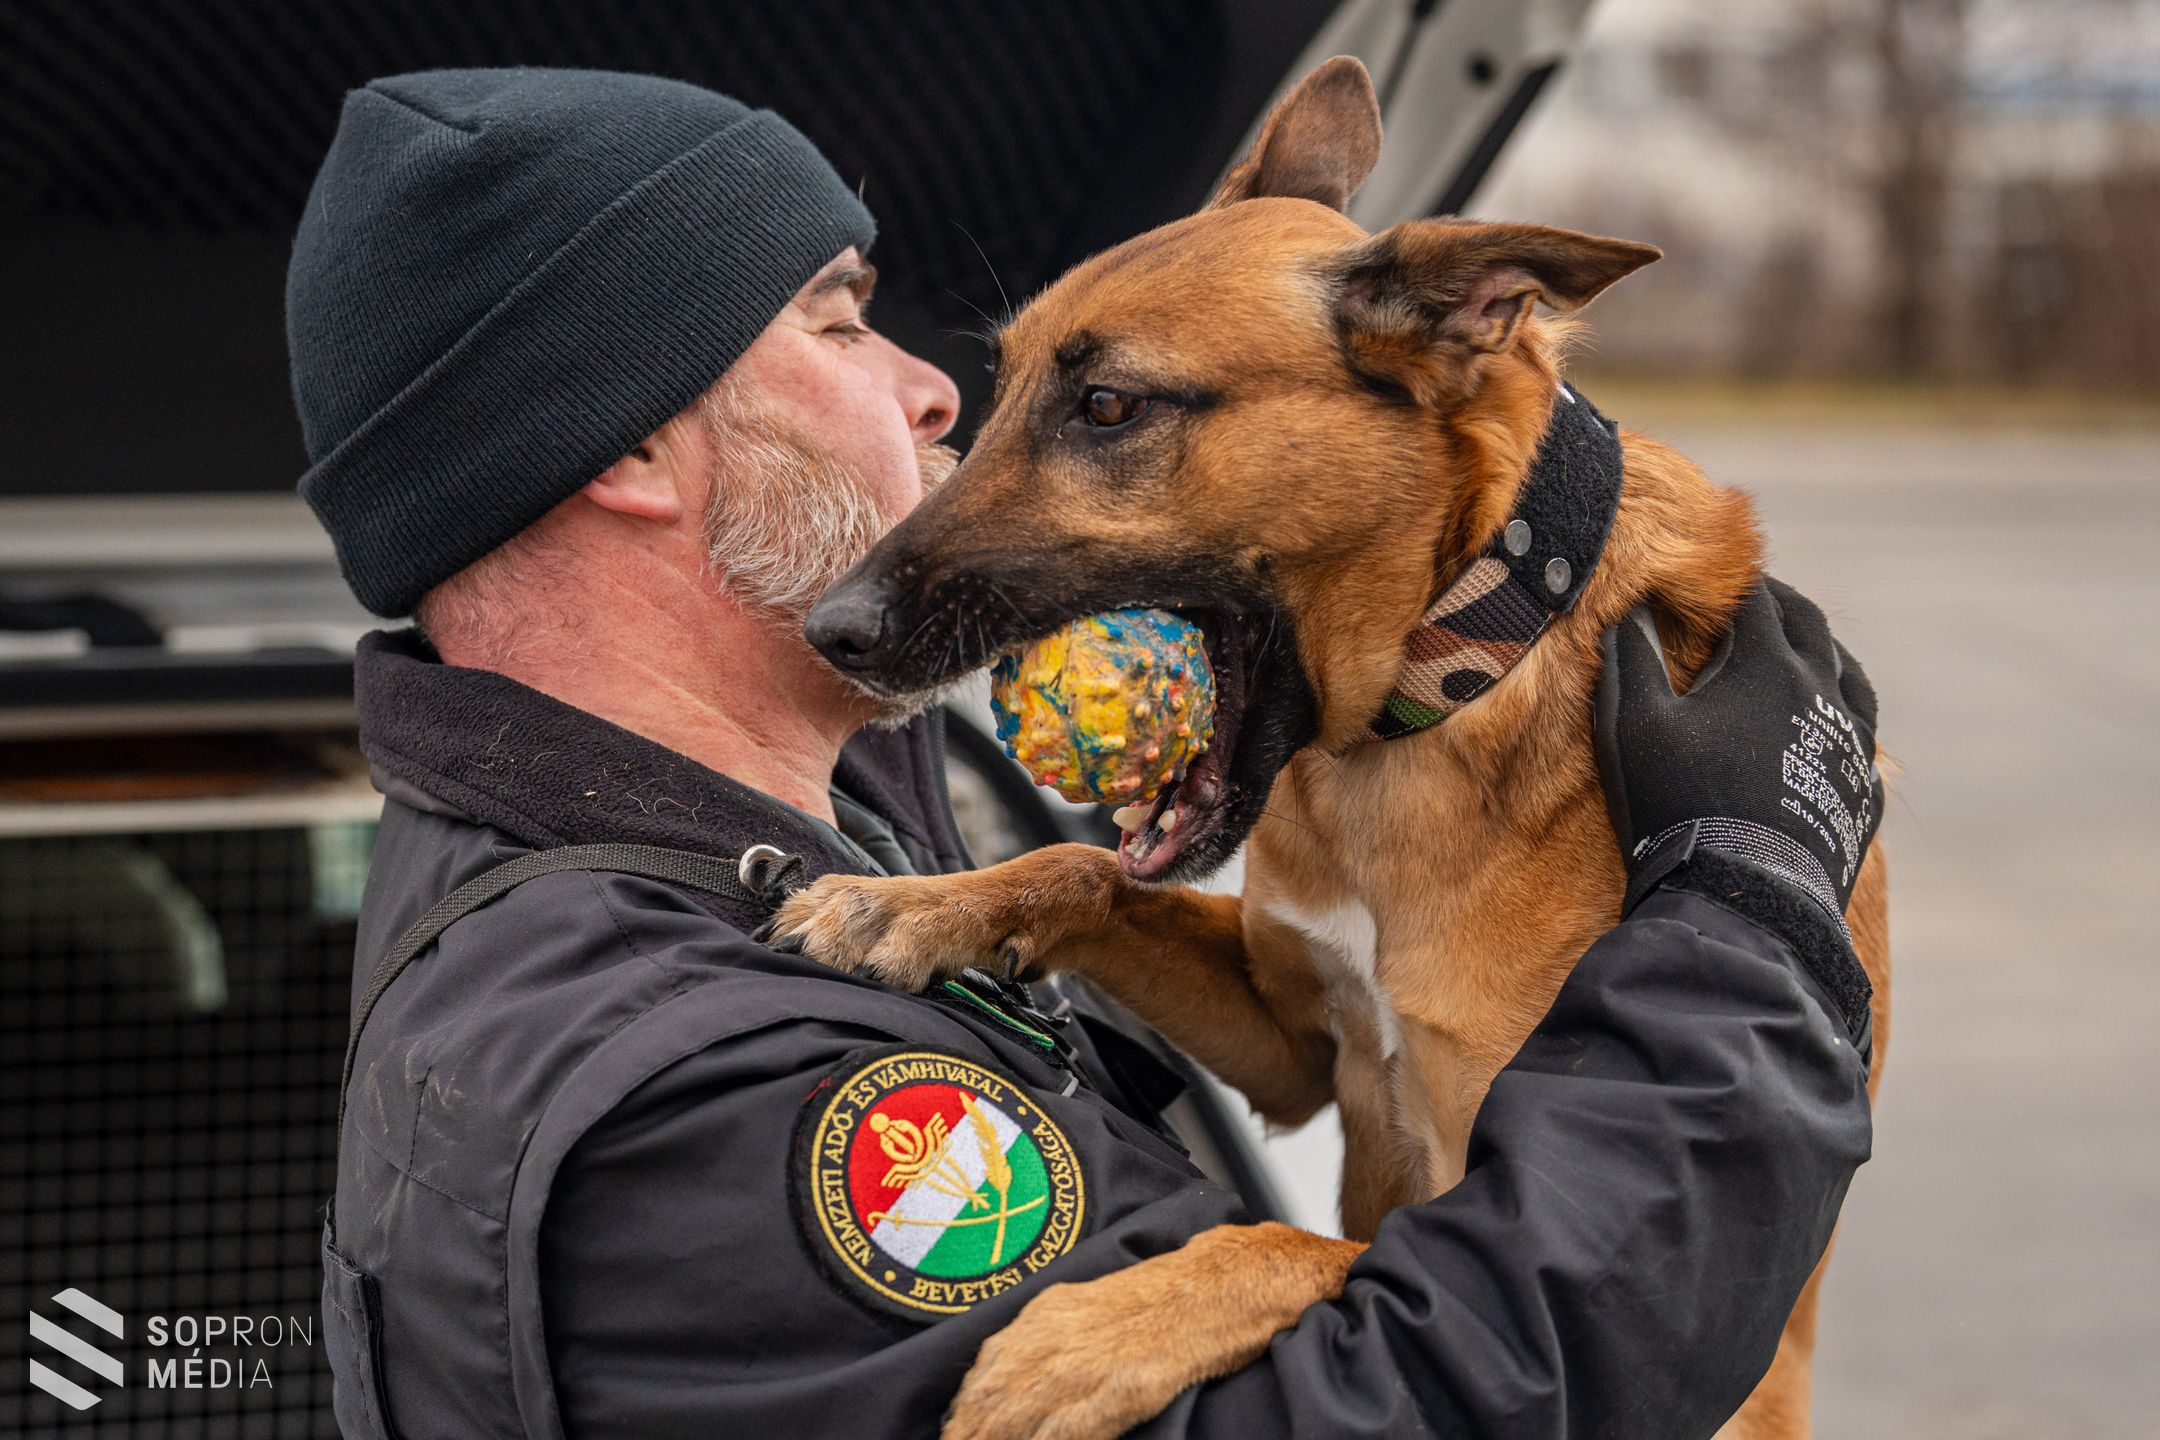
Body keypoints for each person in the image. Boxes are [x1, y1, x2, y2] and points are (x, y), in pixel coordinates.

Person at [290, 69, 1880, 1440]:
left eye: (1096, 405)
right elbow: (1425, 1400)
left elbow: (1294, 1044)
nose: (930, 391)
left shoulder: (780, 821)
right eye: (839, 323)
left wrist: (1070, 903)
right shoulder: (704, 1086)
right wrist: (1751, 915)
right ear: (635, 443)